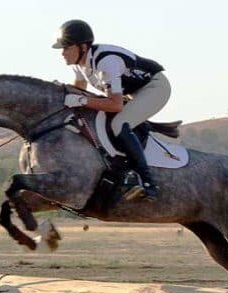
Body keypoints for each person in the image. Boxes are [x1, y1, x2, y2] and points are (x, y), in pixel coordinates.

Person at [53, 19, 171, 201]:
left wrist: (81, 100)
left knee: (119, 123)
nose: (62, 53)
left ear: (82, 47)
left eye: (66, 48)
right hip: (133, 92)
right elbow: (79, 90)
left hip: (155, 88)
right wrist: (61, 93)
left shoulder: (106, 61)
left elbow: (115, 105)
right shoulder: (79, 65)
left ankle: (147, 182)